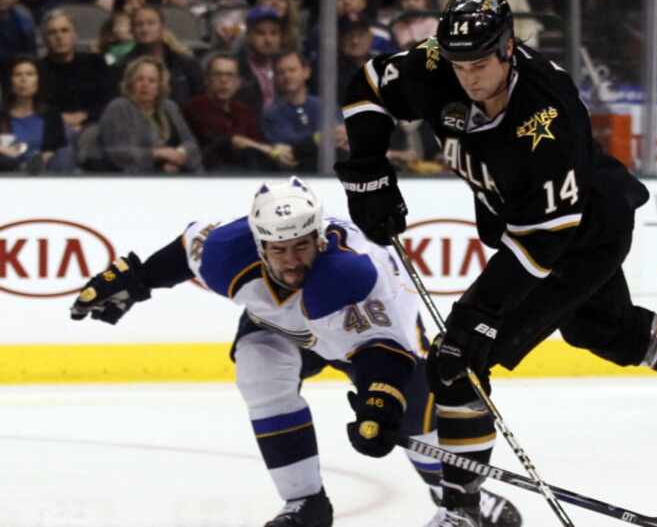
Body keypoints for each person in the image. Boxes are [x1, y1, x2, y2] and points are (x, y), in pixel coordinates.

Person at [335, 0, 657, 526]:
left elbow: (541, 243)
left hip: (583, 234)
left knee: (459, 360)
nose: (467, 77)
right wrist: (370, 172)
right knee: (609, 332)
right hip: (531, 224)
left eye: (479, 64)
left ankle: (462, 514)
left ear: (509, 48)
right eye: (458, 64)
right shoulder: (435, 64)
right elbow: (370, 85)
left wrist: (480, 321)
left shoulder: (547, 114)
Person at [68, 176, 521, 527]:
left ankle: (461, 501)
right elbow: (186, 250)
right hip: (284, 331)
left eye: (301, 246)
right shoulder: (228, 251)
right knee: (258, 367)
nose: (289, 261)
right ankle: (305, 503)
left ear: (319, 239)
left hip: (366, 334)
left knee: (411, 418)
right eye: (277, 250)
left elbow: (385, 353)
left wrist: (379, 401)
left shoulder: (355, 275)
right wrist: (139, 281)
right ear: (259, 243)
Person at [183, 53, 292, 171]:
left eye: (230, 75)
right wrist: (269, 150)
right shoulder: (196, 107)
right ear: (207, 80)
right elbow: (229, 141)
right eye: (217, 74)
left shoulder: (243, 110)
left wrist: (276, 149)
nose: (224, 80)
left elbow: (259, 140)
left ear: (238, 83)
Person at [96, 55, 202, 173]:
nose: (145, 84)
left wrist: (178, 157)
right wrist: (158, 154)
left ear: (159, 86)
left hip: (179, 174)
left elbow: (191, 144)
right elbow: (116, 153)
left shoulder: (169, 107)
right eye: (140, 79)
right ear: (130, 83)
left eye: (152, 81)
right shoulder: (119, 107)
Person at [262, 50, 348, 172]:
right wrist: (320, 138)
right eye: (281, 72)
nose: (287, 76)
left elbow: (341, 136)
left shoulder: (325, 106)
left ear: (306, 72)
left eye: (292, 70)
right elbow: (291, 146)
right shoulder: (272, 113)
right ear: (275, 78)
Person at [38, 9, 115, 130]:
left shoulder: (97, 63)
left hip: (96, 126)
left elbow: (111, 100)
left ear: (75, 35)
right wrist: (59, 118)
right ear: (44, 39)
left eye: (65, 31)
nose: (59, 37)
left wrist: (85, 115)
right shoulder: (36, 70)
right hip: (53, 129)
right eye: (52, 32)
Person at [0, 55, 69, 172]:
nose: (23, 79)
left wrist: (39, 161)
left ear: (38, 80)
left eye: (30, 74)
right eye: (17, 75)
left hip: (45, 175)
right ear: (10, 81)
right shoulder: (1, 115)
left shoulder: (51, 115)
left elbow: (56, 149)